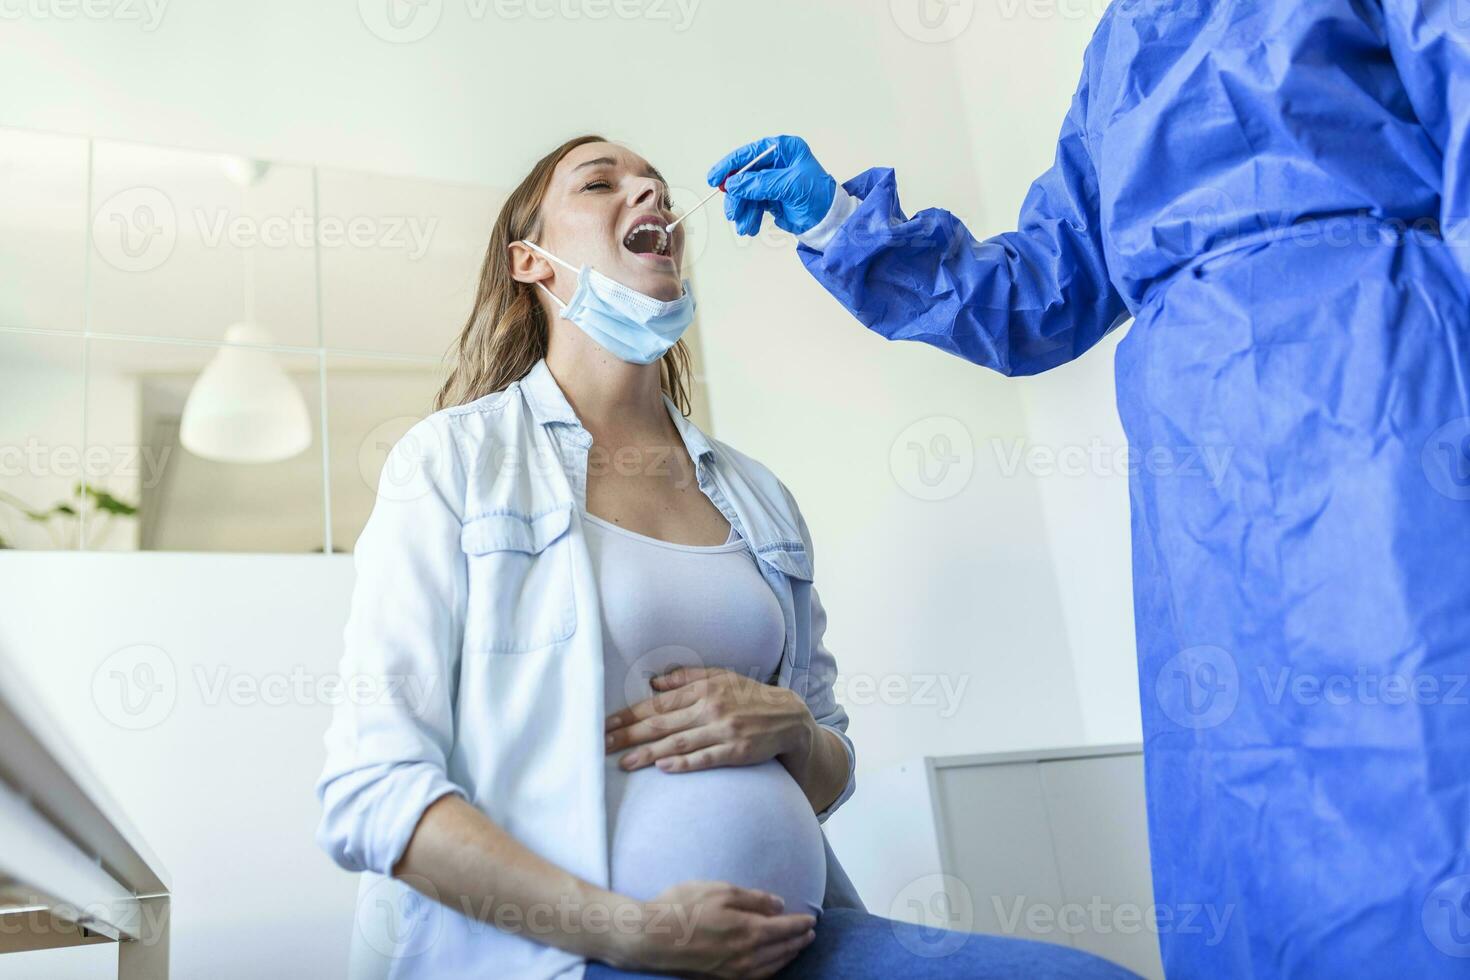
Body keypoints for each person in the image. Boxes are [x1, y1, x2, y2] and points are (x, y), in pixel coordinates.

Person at [711, 4, 1470, 978]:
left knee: (1423, 751)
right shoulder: (1127, 47)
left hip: (1382, 384)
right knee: (1248, 817)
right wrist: (838, 221)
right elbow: (1041, 295)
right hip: (1198, 471)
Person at [314, 135, 1138, 979]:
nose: (649, 196)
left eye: (657, 187)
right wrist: (633, 931)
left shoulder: (758, 496)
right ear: (532, 263)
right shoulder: (454, 462)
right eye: (601, 183)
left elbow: (828, 772)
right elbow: (372, 793)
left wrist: (791, 730)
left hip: (802, 943)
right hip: (571, 956)